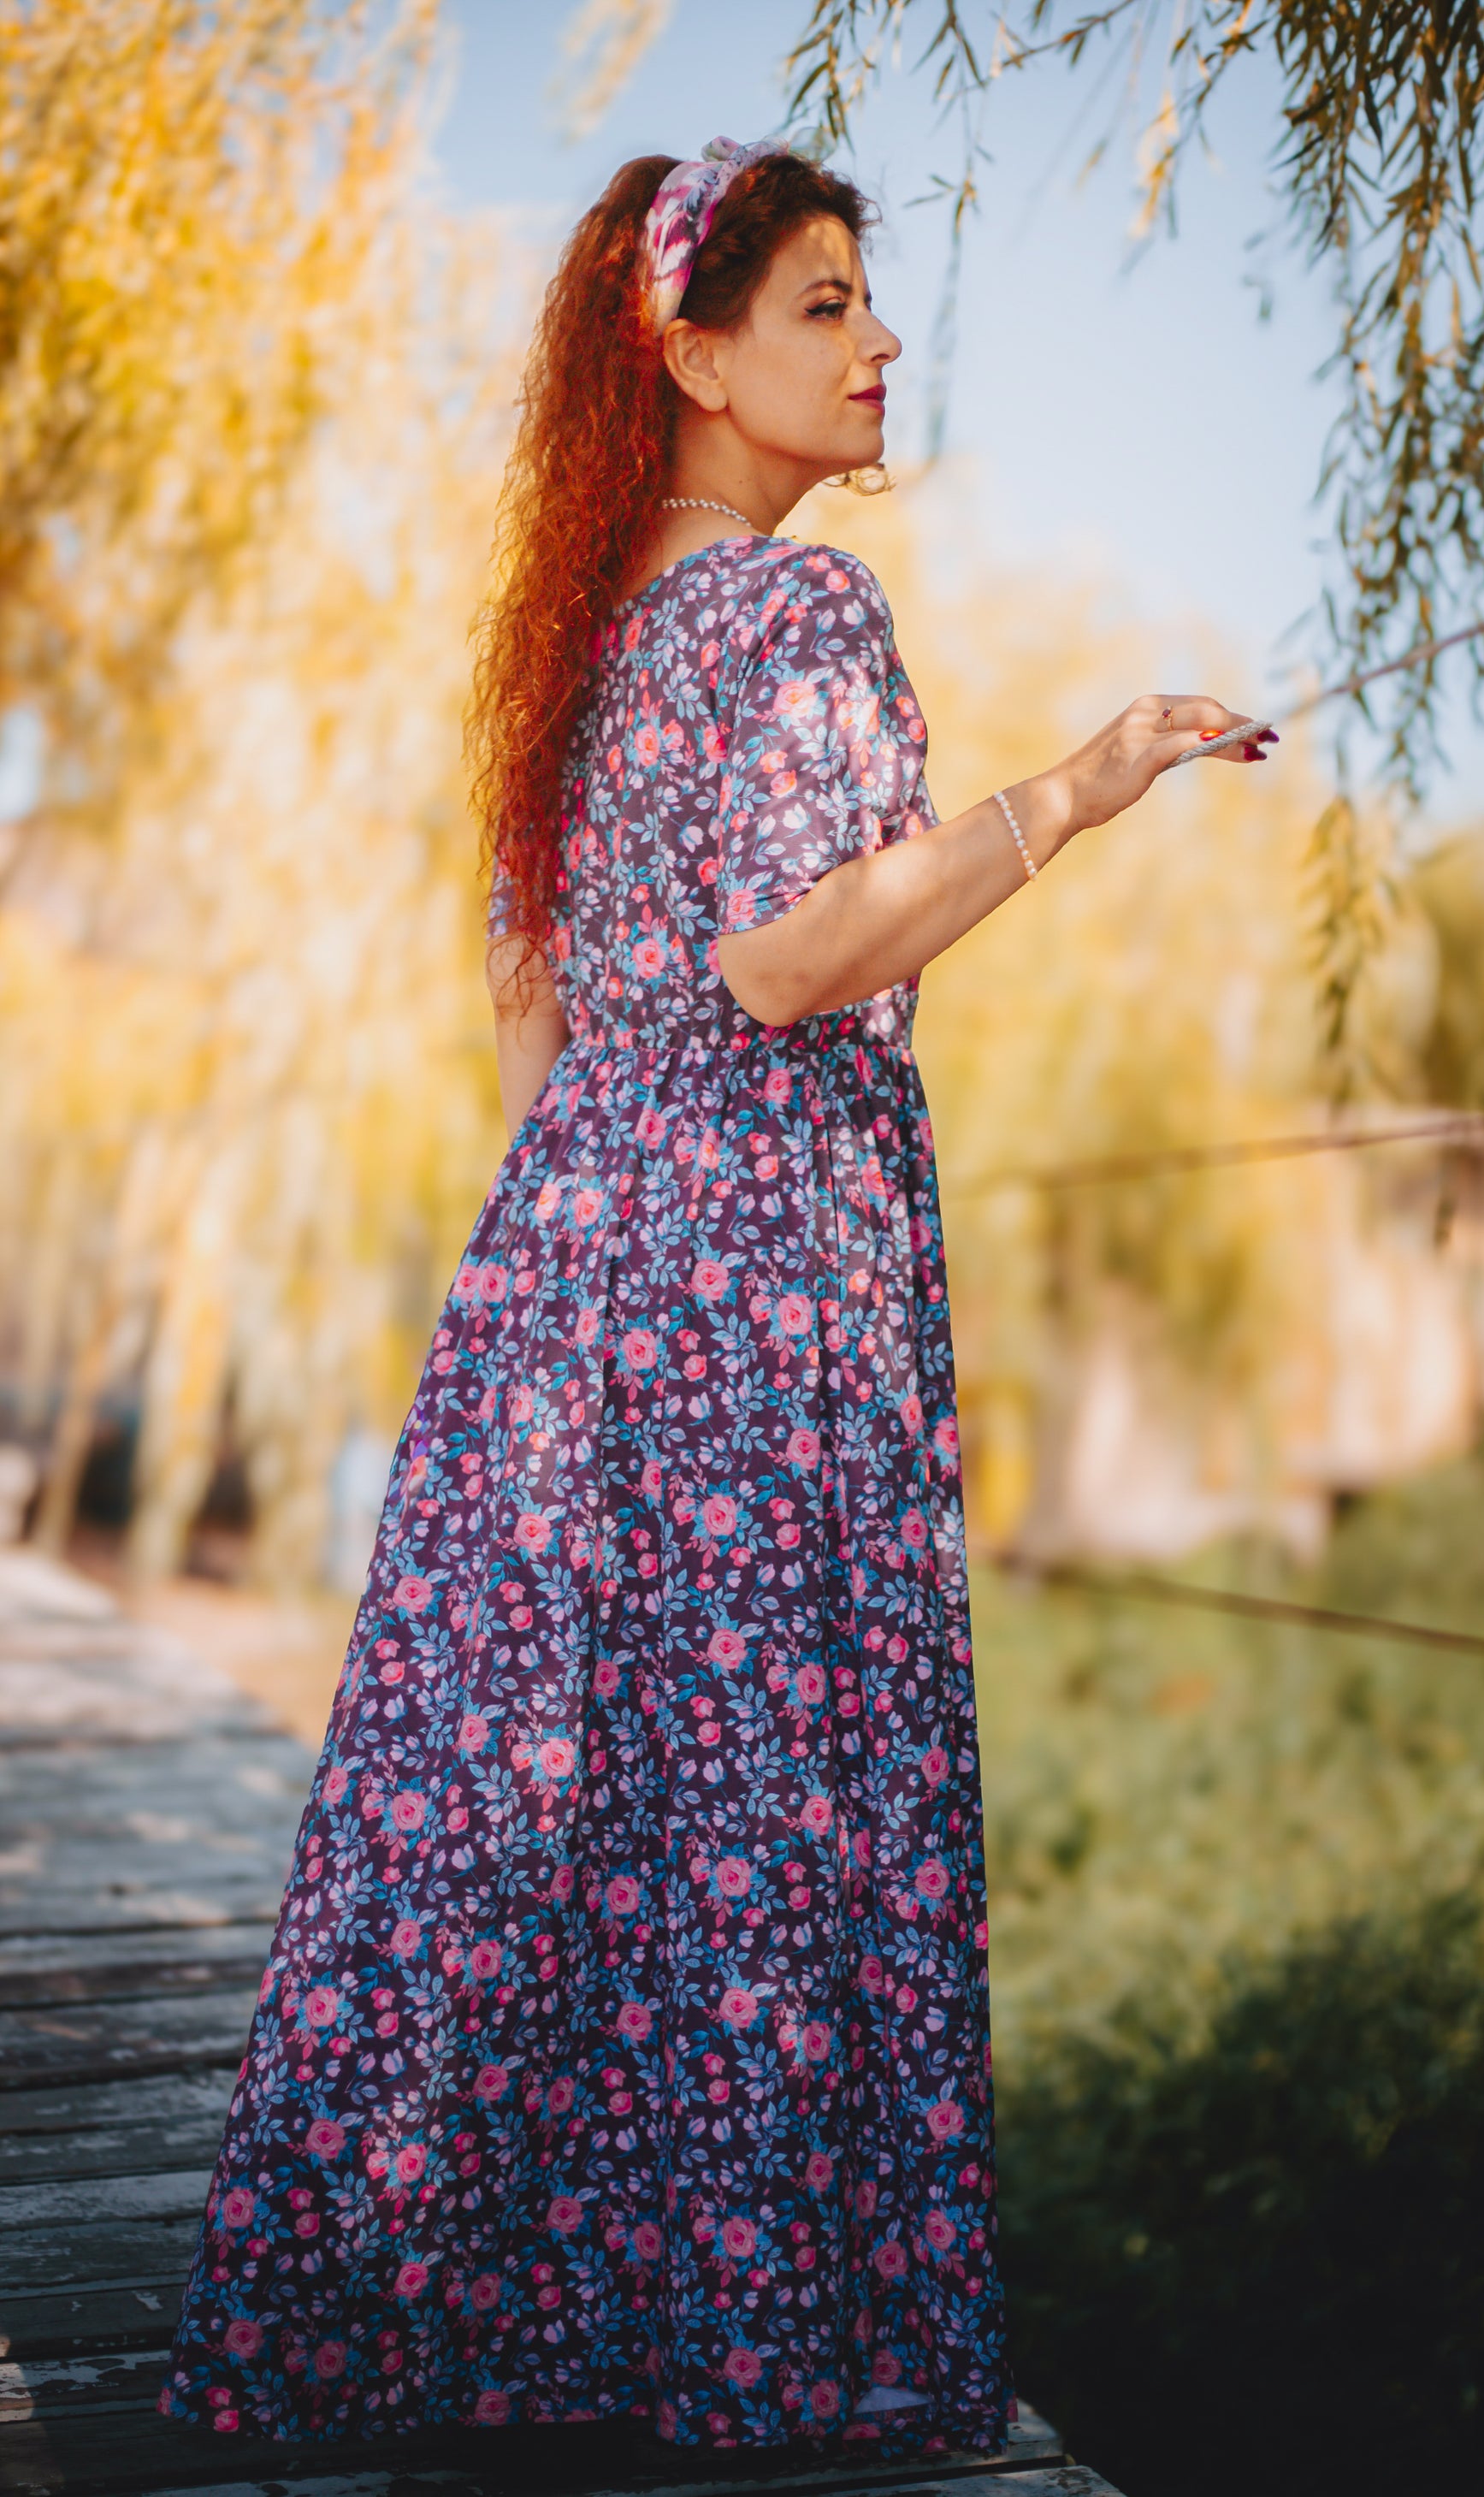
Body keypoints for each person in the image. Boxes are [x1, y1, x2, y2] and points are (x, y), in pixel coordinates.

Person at [162, 133, 1268, 2461]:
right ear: (689, 357)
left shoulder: (567, 667)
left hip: (569, 1271)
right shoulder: (795, 614)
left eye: (870, 301)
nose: (880, 345)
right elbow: (789, 959)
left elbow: (530, 1027)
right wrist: (1080, 786)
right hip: (756, 1282)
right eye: (824, 306)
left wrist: (578, 1258)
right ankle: (740, 2340)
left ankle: (466, 2325)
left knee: (555, 1793)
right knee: (751, 1791)